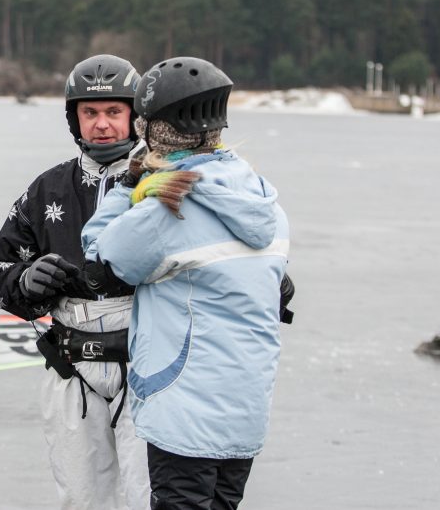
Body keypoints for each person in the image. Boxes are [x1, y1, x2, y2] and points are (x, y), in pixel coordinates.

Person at [81, 57, 292, 510]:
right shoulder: (263, 199)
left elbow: (99, 254)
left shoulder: (167, 208)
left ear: (153, 129)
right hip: (246, 409)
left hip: (184, 410)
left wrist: (132, 189)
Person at [0, 54, 151, 510]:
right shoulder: (48, 189)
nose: (102, 124)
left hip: (148, 365)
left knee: (151, 497)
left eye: (114, 112)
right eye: (90, 113)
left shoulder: (162, 184)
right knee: (81, 500)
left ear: (135, 116)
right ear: (73, 118)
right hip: (71, 367)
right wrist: (27, 280)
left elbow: (208, 254)